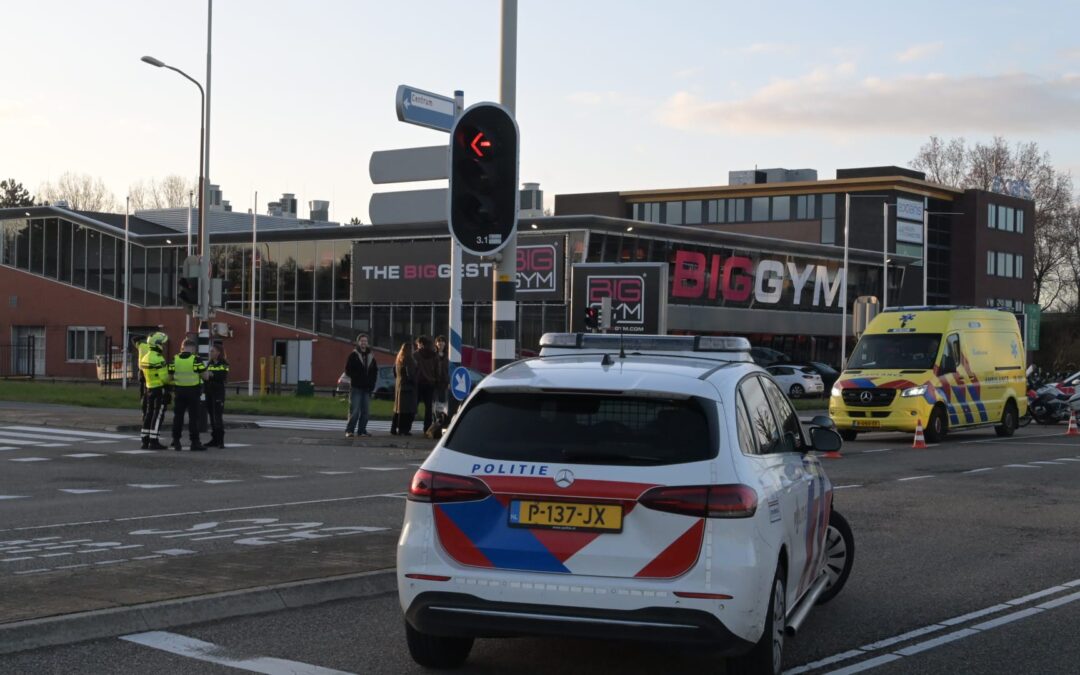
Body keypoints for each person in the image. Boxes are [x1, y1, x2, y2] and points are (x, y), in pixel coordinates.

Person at [168, 337, 208, 451]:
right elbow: (205, 376)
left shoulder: (175, 359)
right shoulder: (196, 359)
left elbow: (169, 377)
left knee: (178, 417)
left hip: (179, 391)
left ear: (182, 347)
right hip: (193, 392)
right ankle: (194, 442)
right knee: (193, 418)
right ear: (193, 348)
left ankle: (176, 441)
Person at [138, 332, 170, 450]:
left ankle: (145, 440)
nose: (164, 345)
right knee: (158, 415)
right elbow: (164, 378)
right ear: (158, 344)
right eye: (162, 343)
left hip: (149, 388)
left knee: (148, 413)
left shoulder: (145, 357)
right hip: (159, 390)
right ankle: (154, 441)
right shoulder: (158, 358)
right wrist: (173, 380)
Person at [344, 333, 379, 438]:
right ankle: (349, 431)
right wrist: (357, 378)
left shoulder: (371, 356)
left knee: (366, 412)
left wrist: (372, 383)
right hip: (356, 387)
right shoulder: (353, 355)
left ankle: (362, 430)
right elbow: (347, 370)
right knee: (354, 411)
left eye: (365, 341)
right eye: (362, 341)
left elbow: (374, 371)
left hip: (367, 388)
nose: (364, 343)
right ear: (358, 342)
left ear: (367, 343)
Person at [204, 343, 230, 448]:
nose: (210, 353)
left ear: (218, 352)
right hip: (209, 392)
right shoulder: (209, 363)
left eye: (212, 351)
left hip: (218, 393)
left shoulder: (224, 364)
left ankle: (220, 441)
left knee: (217, 417)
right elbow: (205, 376)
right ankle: (214, 439)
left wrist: (211, 375)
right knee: (211, 416)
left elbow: (222, 376)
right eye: (210, 351)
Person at [391, 341, 418, 436]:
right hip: (408, 388)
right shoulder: (409, 359)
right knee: (407, 411)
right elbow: (410, 373)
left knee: (398, 410)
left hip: (399, 386)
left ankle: (394, 428)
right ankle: (404, 429)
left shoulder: (399, 358)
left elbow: (394, 371)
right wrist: (415, 382)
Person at [414, 335, 439, 433]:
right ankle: (427, 428)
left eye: (418, 344)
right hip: (430, 384)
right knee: (428, 407)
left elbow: (413, 368)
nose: (417, 346)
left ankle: (406, 426)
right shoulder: (434, 355)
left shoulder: (416, 355)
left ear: (421, 344)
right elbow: (437, 369)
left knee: (413, 404)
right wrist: (435, 380)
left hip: (419, 383)